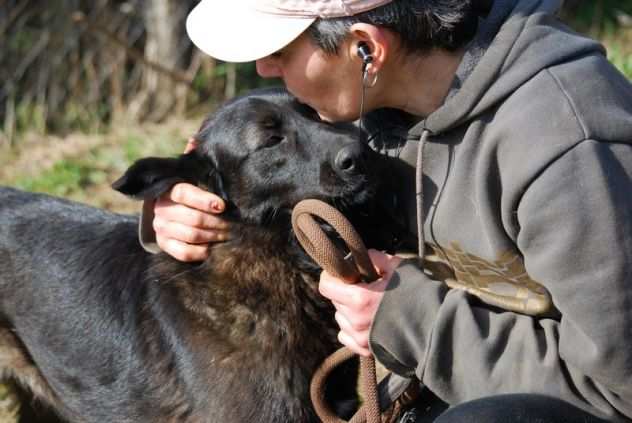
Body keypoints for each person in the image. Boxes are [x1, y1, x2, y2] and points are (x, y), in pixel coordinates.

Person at [141, 0, 632, 421]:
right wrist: (189, 210)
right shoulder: (373, 109)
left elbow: (618, 387)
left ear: (366, 48)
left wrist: (405, 316)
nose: (265, 70)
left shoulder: (570, 145)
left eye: (280, 51)